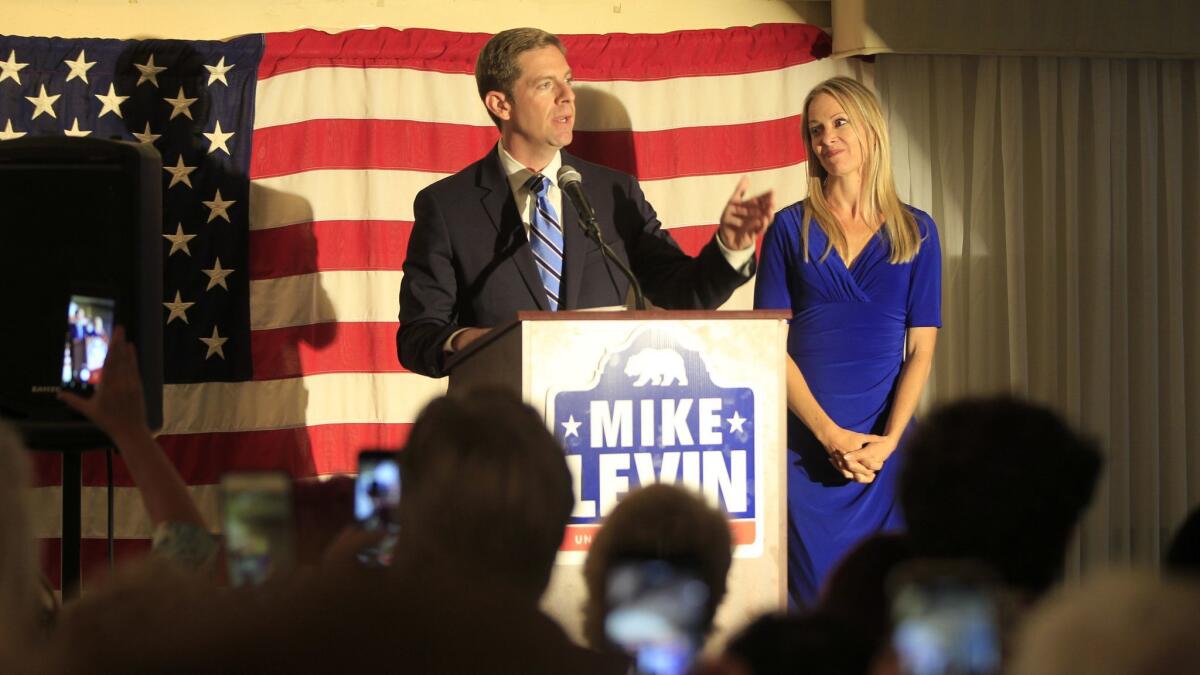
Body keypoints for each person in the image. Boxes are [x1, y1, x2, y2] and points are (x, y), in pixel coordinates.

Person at [397, 27, 775, 378]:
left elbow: (684, 295)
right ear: (501, 104)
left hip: (601, 422)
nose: (568, 96)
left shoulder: (613, 191)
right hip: (502, 429)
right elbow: (418, 337)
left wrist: (730, 248)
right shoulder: (448, 207)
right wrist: (469, 342)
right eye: (547, 85)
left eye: (569, 80)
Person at [753, 76, 942, 607]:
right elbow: (768, 344)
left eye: (839, 123)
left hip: (887, 452)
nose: (827, 138)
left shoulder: (918, 231)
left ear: (870, 130)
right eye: (815, 129)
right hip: (806, 447)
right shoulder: (790, 229)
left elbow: (921, 352)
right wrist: (828, 435)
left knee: (886, 607)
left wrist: (888, 441)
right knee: (816, 605)